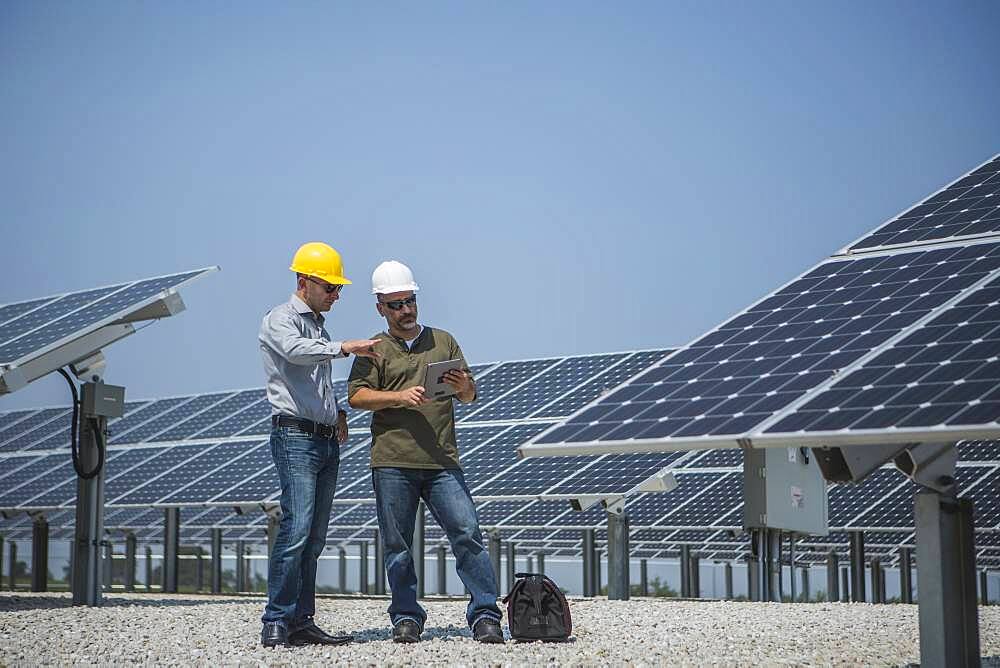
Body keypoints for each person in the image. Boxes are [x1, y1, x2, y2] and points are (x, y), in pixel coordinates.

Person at [348, 260, 504, 644]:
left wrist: (463, 384)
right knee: (397, 546)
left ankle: (485, 615)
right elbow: (356, 396)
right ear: (381, 307)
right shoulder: (372, 349)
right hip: (392, 462)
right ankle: (406, 617)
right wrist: (398, 397)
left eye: (410, 301)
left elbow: (469, 396)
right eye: (397, 304)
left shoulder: (444, 341)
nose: (406, 310)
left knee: (467, 533)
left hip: (442, 462)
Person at [259, 242, 381, 648]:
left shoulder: (319, 328)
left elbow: (315, 385)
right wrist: (344, 347)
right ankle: (276, 620)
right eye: (329, 287)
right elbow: (295, 354)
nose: (336, 295)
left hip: (325, 440)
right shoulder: (281, 320)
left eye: (337, 288)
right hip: (295, 438)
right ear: (303, 282)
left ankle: (301, 620)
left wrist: (337, 413)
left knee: (313, 537)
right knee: (295, 530)